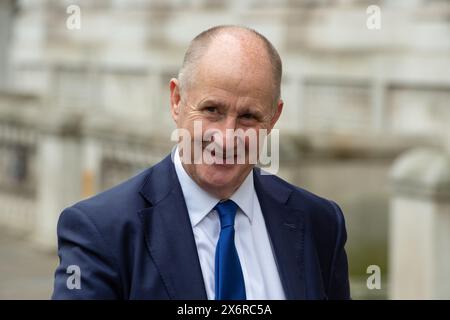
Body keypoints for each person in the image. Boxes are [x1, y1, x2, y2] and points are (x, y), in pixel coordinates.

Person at [52, 25, 350, 300]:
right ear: (176, 101)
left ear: (273, 119)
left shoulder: (320, 224)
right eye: (212, 110)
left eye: (248, 116)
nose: (226, 138)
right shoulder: (101, 231)